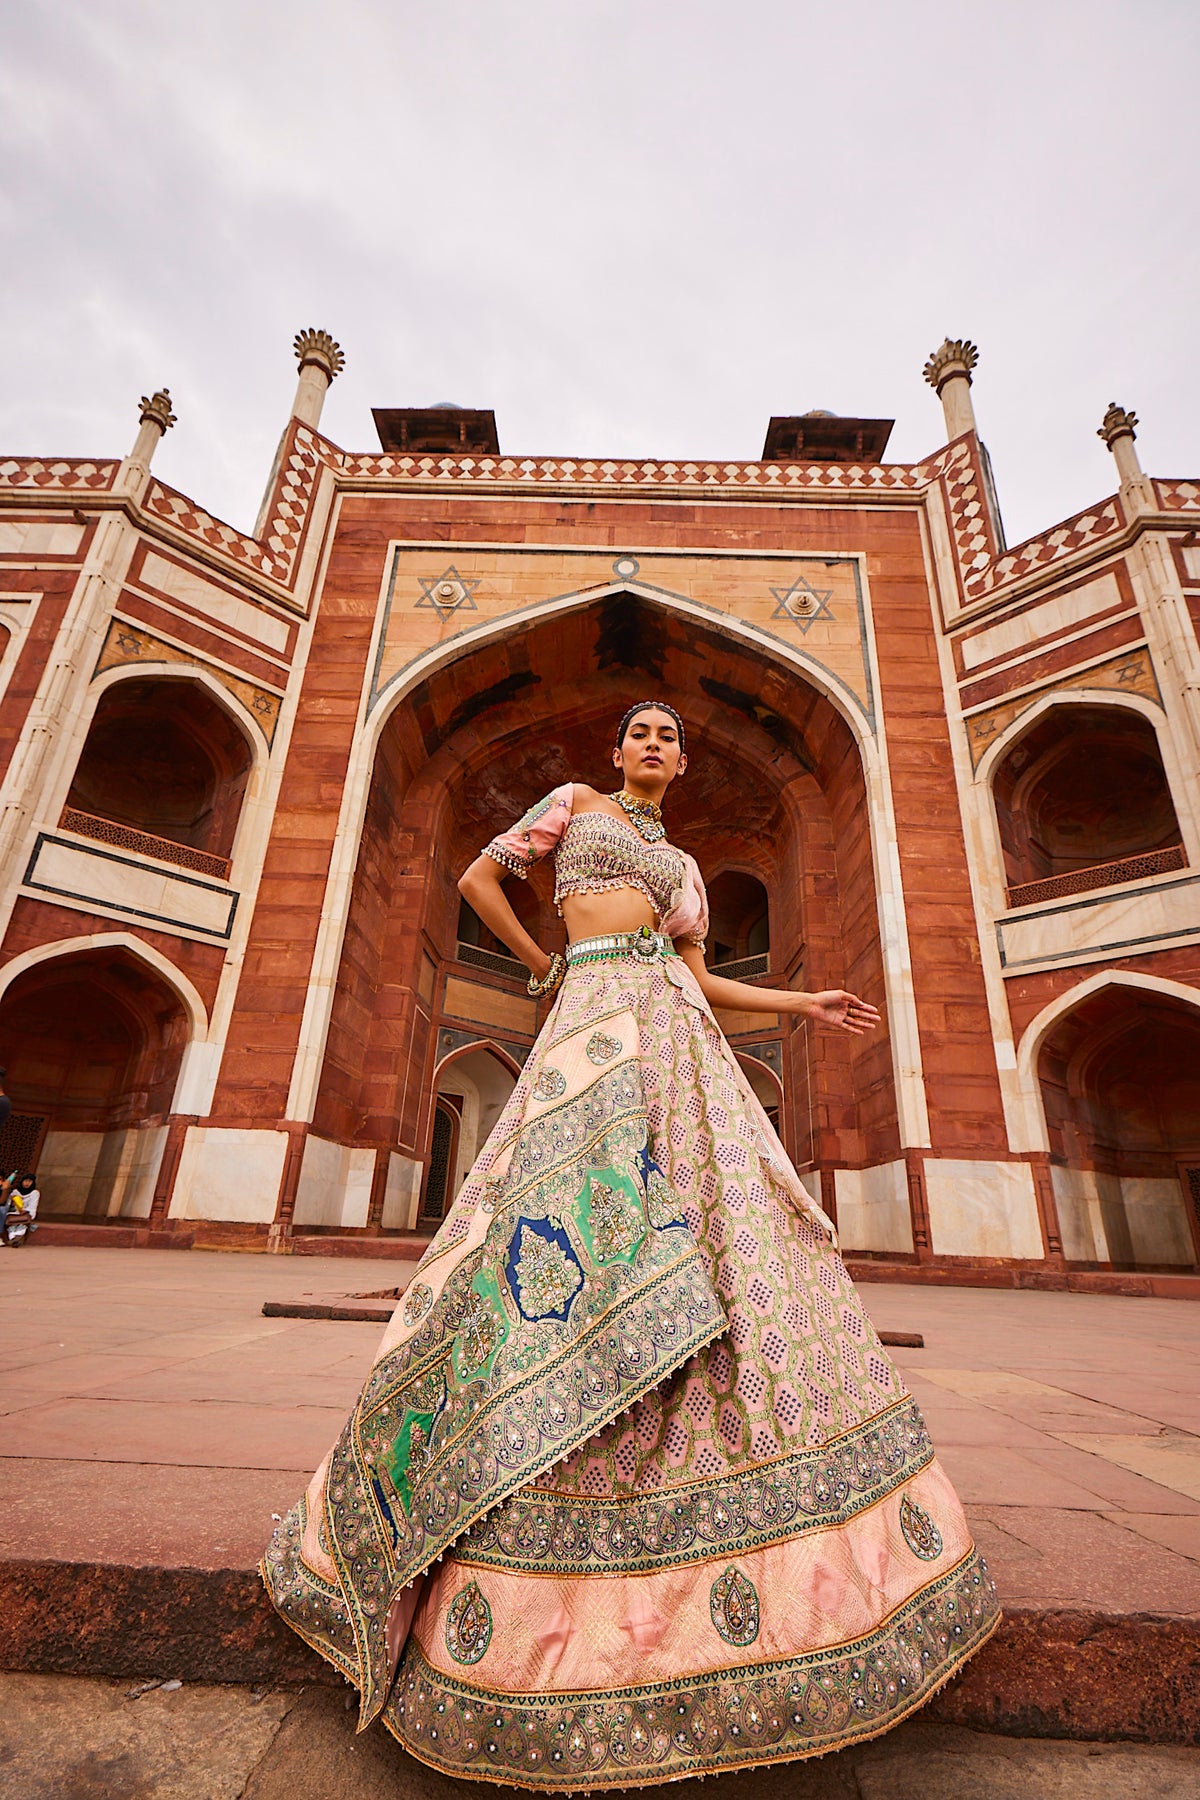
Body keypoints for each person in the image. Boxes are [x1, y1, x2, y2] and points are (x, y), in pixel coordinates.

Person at [263, 701, 999, 1788]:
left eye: (669, 738)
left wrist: (802, 1000)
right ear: (615, 753)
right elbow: (477, 879)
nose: (654, 745)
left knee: (713, 1222)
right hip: (590, 1010)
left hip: (675, 1028)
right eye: (639, 733)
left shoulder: (685, 864)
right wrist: (538, 964)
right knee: (556, 1221)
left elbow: (701, 978)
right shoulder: (572, 807)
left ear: (683, 762)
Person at [0, 1172, 40, 1245]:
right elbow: (7, 1204)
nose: (27, 1183)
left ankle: (15, 1238)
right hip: (14, 1213)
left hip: (25, 1213)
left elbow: (33, 1206)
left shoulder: (35, 1193)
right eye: (25, 1181)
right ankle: (14, 1238)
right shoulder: (15, 1192)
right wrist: (12, 1203)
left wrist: (25, 1212)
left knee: (21, 1225)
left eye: (29, 1181)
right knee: (12, 1225)